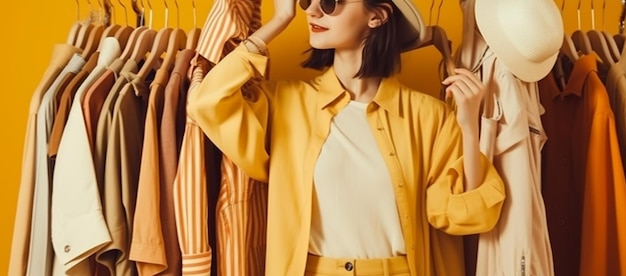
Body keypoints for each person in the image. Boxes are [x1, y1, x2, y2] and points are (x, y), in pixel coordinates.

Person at [187, 0, 506, 274]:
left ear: (377, 15)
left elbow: (466, 217)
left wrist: (468, 127)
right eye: (306, 1)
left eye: (329, 1)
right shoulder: (284, 104)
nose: (312, 11)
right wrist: (279, 20)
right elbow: (207, 102)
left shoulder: (428, 116)